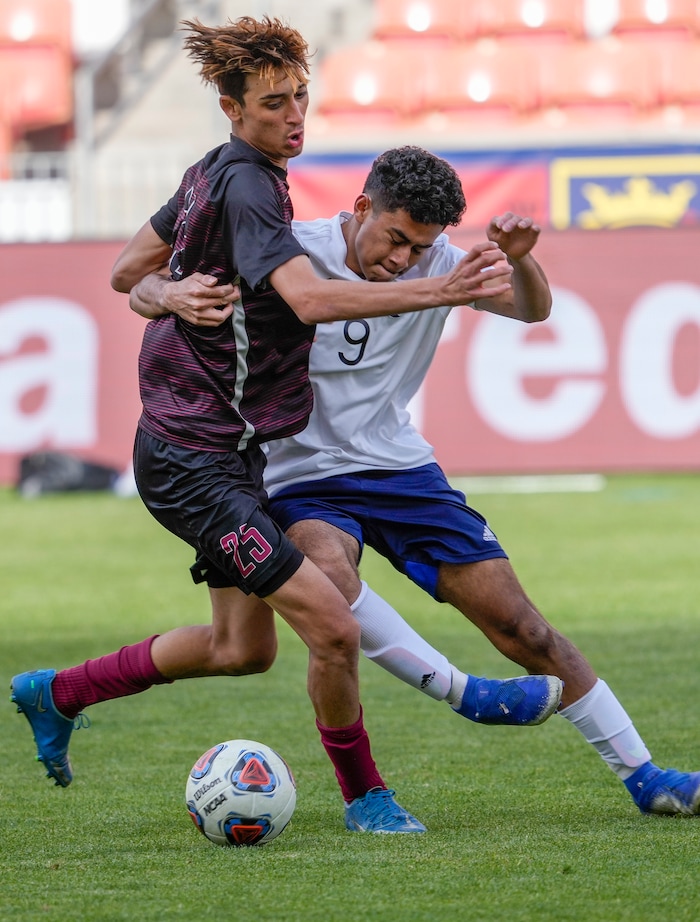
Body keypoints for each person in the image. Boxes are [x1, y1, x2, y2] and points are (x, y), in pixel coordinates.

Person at [9, 18, 558, 836]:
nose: (295, 115)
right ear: (233, 109)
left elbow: (129, 274)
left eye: (301, 96)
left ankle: (57, 691)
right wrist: (438, 292)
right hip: (195, 463)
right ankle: (375, 786)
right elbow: (308, 300)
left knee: (243, 649)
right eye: (274, 103)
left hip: (229, 453)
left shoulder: (214, 174)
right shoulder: (249, 187)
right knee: (332, 624)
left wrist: (173, 294)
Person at [130, 145, 699, 817]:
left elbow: (532, 309)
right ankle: (414, 742)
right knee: (331, 588)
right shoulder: (291, 253)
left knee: (525, 630)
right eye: (396, 238)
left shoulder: (443, 264)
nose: (404, 259)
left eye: (420, 246)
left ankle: (645, 775)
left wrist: (519, 257)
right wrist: (166, 291)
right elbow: (146, 283)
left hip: (399, 467)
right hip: (297, 475)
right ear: (362, 206)